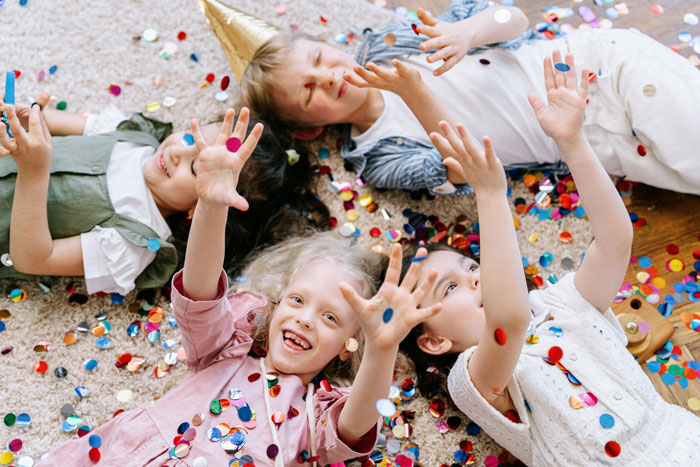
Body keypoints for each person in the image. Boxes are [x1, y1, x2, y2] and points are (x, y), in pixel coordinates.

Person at [36, 107, 443, 466]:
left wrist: (383, 348)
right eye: (298, 300)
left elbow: (356, 424)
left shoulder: (314, 419)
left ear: (347, 345)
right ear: (277, 303)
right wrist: (212, 205)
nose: (304, 320)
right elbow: (199, 290)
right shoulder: (224, 351)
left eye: (331, 317)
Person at [394, 52, 700, 465]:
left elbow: (613, 240)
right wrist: (489, 194)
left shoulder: (558, 305)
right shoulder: (471, 379)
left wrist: (572, 143)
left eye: (470, 268)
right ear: (433, 340)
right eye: (450, 288)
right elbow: (508, 322)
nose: (475, 280)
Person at [240, 0, 700, 196]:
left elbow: (512, 16)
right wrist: (414, 92)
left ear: (331, 45)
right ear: (308, 129)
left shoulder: (394, 42)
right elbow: (463, 171)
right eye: (307, 93)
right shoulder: (377, 159)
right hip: (599, 149)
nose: (327, 77)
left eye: (320, 58)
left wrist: (466, 33)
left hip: (600, 70)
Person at [0, 93, 329, 295]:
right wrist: (25, 118)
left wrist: (34, 170)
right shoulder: (137, 137)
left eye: (196, 169)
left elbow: (33, 259)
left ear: (198, 211)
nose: (176, 154)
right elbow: (46, 120)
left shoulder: (134, 241)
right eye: (190, 141)